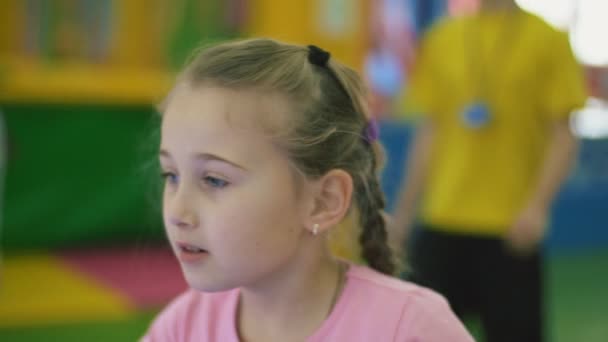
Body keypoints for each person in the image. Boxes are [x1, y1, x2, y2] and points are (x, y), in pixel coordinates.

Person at [142, 38, 473, 341]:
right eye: (170, 175)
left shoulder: (412, 329)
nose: (177, 212)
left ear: (322, 201)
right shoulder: (181, 328)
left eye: (215, 179)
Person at [391, 1, 587, 341]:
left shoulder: (547, 39)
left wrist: (537, 207)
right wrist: (404, 215)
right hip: (442, 221)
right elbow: (430, 132)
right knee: (414, 334)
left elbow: (563, 135)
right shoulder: (443, 38)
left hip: (510, 228)